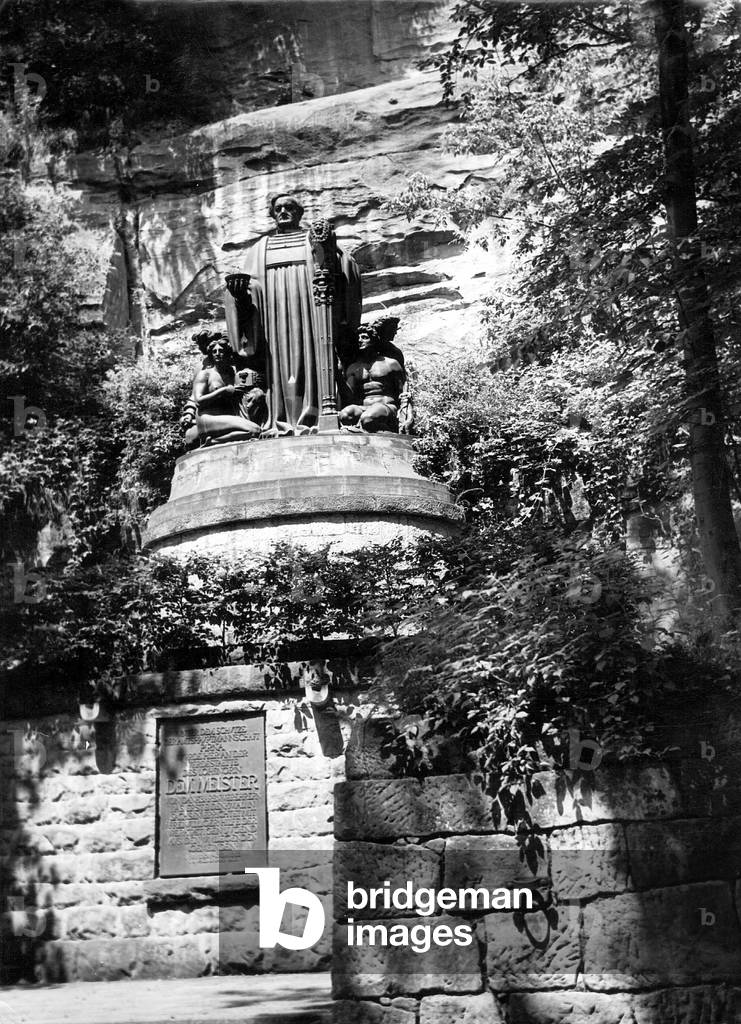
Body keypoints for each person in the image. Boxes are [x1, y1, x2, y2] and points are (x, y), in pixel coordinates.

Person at [223, 194, 361, 435]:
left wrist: (333, 254)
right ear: (272, 214)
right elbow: (250, 289)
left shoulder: (313, 240)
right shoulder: (259, 250)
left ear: (300, 213)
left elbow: (343, 265)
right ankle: (279, 421)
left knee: (314, 362)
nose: (283, 211)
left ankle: (317, 416)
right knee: (279, 368)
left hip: (311, 316)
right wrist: (239, 293)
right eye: (278, 208)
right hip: (273, 323)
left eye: (289, 207)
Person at [186, 332, 267, 446]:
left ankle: (213, 441)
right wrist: (223, 391)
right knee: (254, 430)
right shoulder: (205, 374)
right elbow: (198, 401)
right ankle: (211, 442)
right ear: (210, 354)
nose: (218, 354)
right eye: (214, 352)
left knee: (256, 430)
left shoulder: (230, 372)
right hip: (207, 419)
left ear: (227, 353)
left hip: (226, 417)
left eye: (221, 351)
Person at [338, 318, 414, 434]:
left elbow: (403, 391)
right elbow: (349, 396)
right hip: (364, 407)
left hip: (386, 406)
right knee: (345, 414)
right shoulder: (354, 368)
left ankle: (383, 429)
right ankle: (366, 428)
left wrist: (407, 415)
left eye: (364, 337)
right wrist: (338, 375)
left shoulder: (390, 363)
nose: (360, 340)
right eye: (359, 338)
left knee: (368, 418)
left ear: (374, 340)